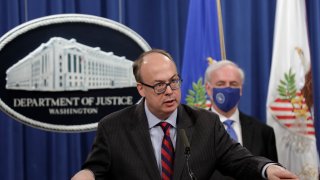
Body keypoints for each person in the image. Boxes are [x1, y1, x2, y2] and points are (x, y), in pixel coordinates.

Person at [71, 49, 297, 180]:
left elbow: (239, 159)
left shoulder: (205, 123)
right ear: (141, 88)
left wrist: (266, 169)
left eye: (174, 81)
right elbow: (95, 170)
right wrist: (87, 174)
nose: (169, 91)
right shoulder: (113, 128)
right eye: (159, 85)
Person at [204, 60, 278, 180]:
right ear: (208, 88)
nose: (227, 88)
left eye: (233, 84)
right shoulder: (195, 129)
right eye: (221, 83)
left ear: (241, 89)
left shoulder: (263, 132)